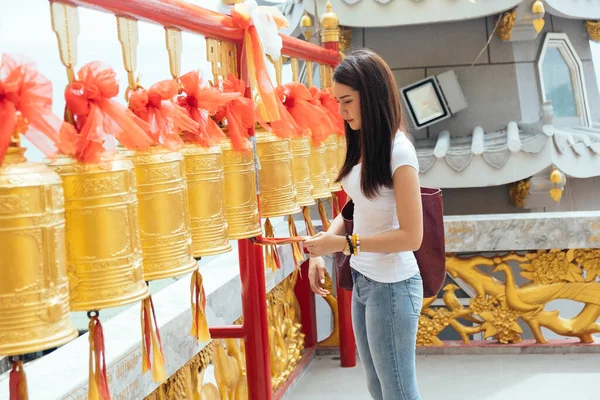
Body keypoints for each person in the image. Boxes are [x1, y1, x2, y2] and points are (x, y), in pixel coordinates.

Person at [303, 49, 424, 400]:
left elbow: (411, 236)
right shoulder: (366, 144)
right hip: (364, 280)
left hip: (393, 286)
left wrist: (341, 246)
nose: (341, 112)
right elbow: (358, 204)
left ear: (370, 97)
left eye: (347, 101)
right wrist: (322, 246)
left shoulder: (399, 153)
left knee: (398, 391)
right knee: (377, 387)